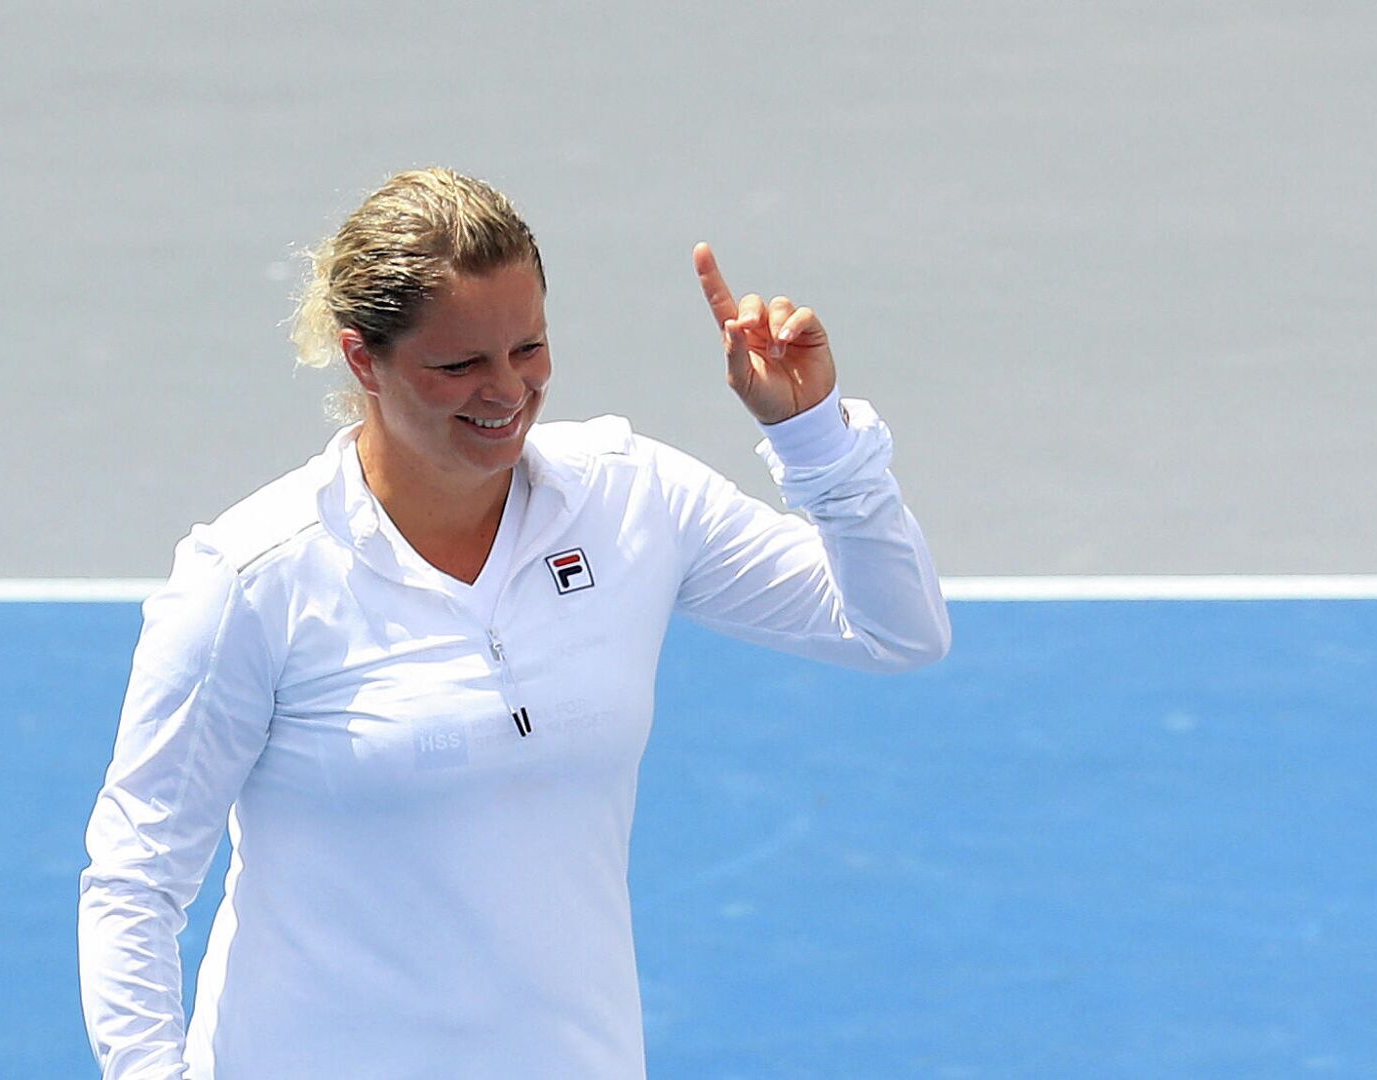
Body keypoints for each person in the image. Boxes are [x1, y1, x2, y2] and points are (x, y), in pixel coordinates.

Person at [76, 167, 951, 1079]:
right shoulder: (253, 580)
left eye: (527, 349)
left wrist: (812, 438)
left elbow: (894, 629)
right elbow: (135, 881)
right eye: (457, 365)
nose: (506, 392)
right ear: (362, 359)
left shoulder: (634, 498)